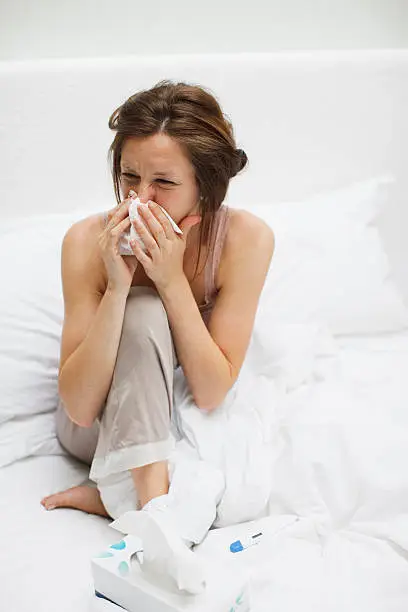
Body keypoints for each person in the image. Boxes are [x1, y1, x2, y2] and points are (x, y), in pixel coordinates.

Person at [40, 79, 275, 526]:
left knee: (242, 446)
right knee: (142, 308)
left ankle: (114, 495)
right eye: (129, 176)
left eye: (163, 182)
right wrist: (117, 288)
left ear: (205, 187)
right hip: (94, 424)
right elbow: (80, 408)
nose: (139, 198)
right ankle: (155, 514)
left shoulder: (247, 240)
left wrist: (171, 280)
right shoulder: (85, 242)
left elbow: (209, 393)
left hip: (174, 410)